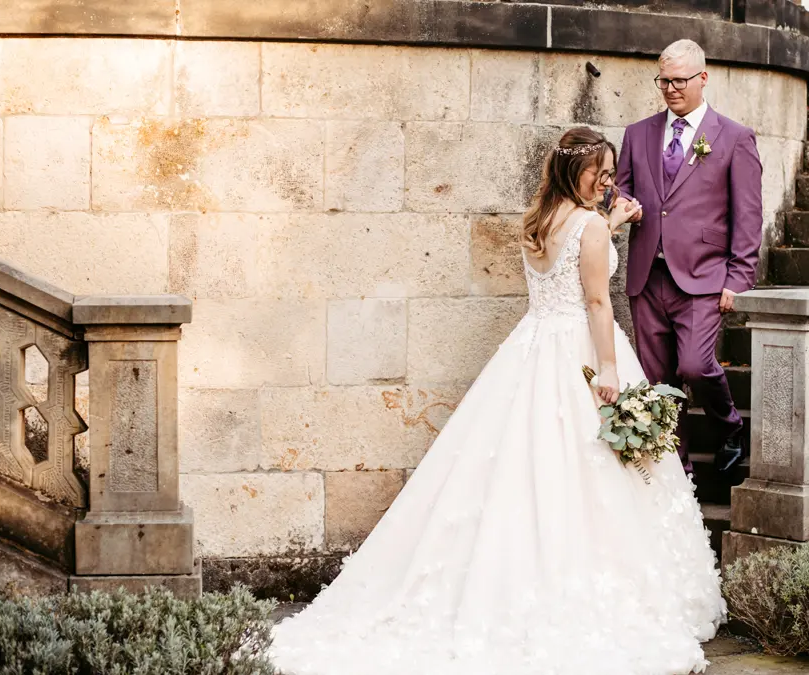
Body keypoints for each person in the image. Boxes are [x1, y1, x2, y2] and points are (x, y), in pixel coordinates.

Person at [270, 126, 726, 675]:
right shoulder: (590, 228)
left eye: (610, 173)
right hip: (580, 349)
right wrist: (608, 370)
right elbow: (597, 302)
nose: (608, 181)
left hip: (533, 347)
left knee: (515, 464)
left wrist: (610, 221)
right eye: (599, 173)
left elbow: (572, 252)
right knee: (588, 467)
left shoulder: (538, 224)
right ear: (571, 173)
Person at [616, 39, 763, 476]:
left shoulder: (734, 137)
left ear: (703, 78)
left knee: (696, 367)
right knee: (658, 380)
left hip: (703, 277)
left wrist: (738, 278)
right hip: (648, 276)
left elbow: (748, 214)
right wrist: (624, 203)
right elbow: (619, 188)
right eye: (664, 80)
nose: (670, 89)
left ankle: (731, 427)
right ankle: (678, 471)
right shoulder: (637, 133)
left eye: (679, 80)